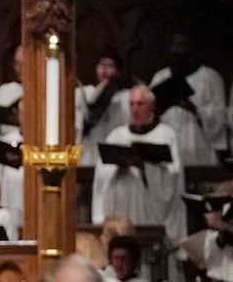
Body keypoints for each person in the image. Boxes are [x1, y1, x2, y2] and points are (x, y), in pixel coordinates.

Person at [91, 84, 183, 242]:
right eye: (131, 104)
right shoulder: (116, 135)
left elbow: (173, 175)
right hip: (122, 205)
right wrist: (118, 164)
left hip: (149, 210)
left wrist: (145, 167)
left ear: (151, 106)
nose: (135, 109)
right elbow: (101, 174)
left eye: (140, 104)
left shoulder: (165, 134)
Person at [149, 32, 226, 168]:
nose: (177, 50)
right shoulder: (161, 77)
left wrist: (195, 108)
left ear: (191, 48)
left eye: (182, 45)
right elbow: (149, 114)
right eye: (174, 46)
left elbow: (221, 117)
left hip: (198, 144)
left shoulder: (210, 77)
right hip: (168, 141)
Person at [77, 50, 131, 167]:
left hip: (114, 156)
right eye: (101, 64)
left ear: (118, 71)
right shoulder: (84, 92)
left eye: (110, 65)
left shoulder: (126, 97)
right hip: (89, 154)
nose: (104, 69)